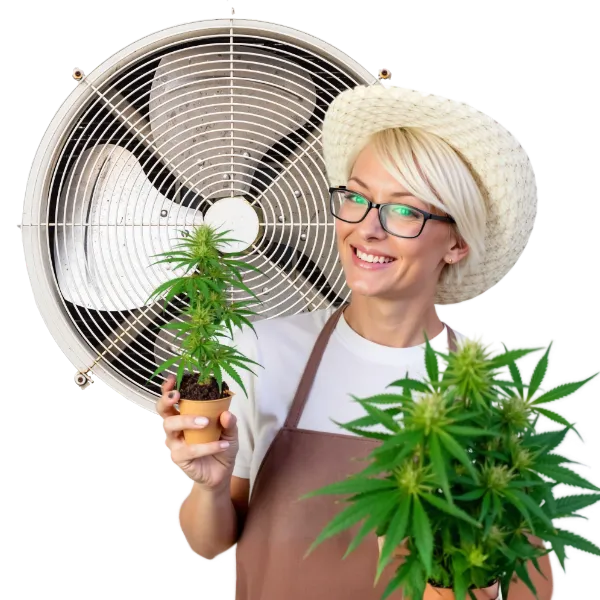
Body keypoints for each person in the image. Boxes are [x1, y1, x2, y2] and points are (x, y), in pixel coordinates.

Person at [156, 85, 555, 599]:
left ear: (456, 243)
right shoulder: (265, 351)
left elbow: (530, 582)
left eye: (405, 211)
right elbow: (209, 546)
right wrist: (208, 485)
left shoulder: (498, 395)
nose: (367, 229)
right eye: (357, 198)